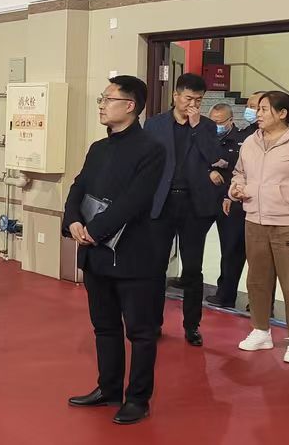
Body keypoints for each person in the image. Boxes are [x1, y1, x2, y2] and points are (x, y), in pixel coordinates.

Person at [64, 75, 166, 425]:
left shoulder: (151, 149)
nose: (102, 106)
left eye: (108, 99)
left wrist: (93, 230)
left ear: (130, 106)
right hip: (96, 253)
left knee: (140, 331)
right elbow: (78, 187)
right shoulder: (98, 148)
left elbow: (134, 201)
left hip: (134, 256)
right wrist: (73, 221)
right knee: (104, 327)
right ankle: (108, 388)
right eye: (102, 99)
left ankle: (138, 398)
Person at [230, 91, 289, 364]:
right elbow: (239, 173)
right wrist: (236, 188)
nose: (257, 114)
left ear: (282, 113)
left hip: (288, 223)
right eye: (256, 109)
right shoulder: (251, 141)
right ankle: (260, 330)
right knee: (257, 280)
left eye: (264, 109)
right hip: (254, 220)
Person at [145, 73, 224, 346]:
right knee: (155, 266)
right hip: (162, 203)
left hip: (193, 205)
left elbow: (214, 157)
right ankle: (153, 323)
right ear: (176, 96)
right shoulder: (154, 124)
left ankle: (192, 326)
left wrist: (196, 126)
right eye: (188, 98)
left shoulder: (207, 127)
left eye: (198, 100)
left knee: (192, 268)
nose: (193, 104)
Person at [205, 92, 264, 308]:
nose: (251, 110)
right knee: (230, 250)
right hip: (229, 199)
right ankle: (225, 294)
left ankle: (261, 302)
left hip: (260, 204)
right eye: (249, 105)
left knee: (258, 256)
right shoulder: (246, 136)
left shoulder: (270, 137)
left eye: (255, 106)